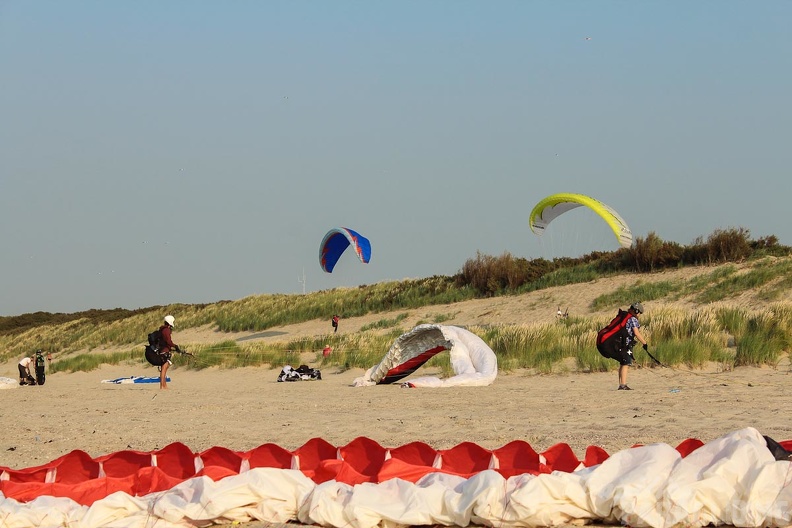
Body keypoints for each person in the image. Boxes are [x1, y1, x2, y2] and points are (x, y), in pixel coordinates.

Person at [618, 302, 649, 391]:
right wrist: (644, 343)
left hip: (620, 344)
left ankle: (621, 384)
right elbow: (636, 333)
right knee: (626, 363)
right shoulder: (632, 319)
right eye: (640, 313)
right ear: (636, 311)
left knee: (622, 363)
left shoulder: (625, 316)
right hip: (626, 345)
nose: (639, 315)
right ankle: (623, 385)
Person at [157, 315, 180, 390]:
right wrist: (175, 346)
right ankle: (162, 386)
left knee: (165, 368)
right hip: (164, 351)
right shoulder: (166, 330)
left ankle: (164, 385)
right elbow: (168, 341)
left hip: (163, 350)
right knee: (164, 368)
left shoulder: (162, 329)